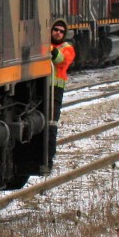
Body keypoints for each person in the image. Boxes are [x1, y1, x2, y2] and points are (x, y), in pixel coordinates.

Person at [47, 19, 76, 171]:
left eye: (61, 31)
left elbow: (61, 60)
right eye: (56, 29)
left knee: (52, 123)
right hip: (42, 88)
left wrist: (50, 49)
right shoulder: (46, 45)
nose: (58, 32)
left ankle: (49, 158)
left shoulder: (68, 48)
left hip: (55, 91)